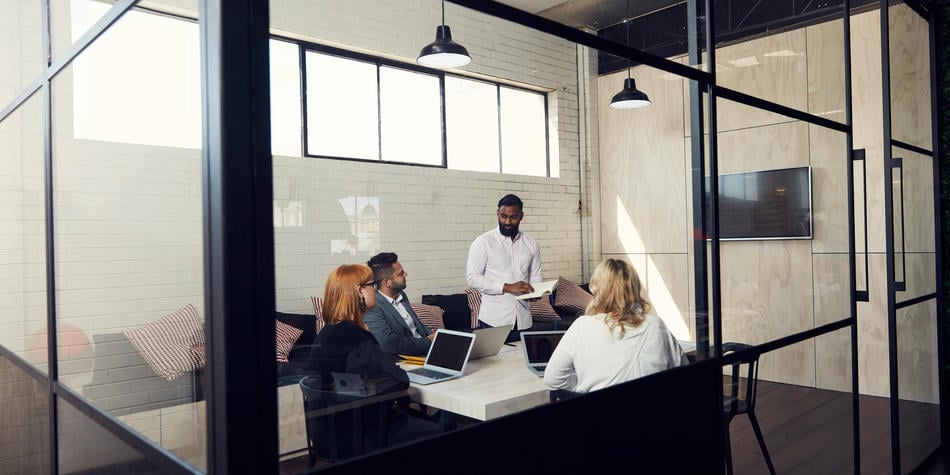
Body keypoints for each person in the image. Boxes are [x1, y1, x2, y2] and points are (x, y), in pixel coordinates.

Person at [306, 264, 441, 459]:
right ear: (360, 291)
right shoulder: (357, 337)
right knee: (435, 430)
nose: (375, 291)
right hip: (359, 435)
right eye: (371, 285)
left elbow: (357, 382)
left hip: (326, 433)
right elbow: (399, 382)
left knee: (420, 419)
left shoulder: (329, 332)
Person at [543, 258, 687, 393]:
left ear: (596, 289)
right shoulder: (655, 324)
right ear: (634, 289)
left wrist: (585, 384)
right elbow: (683, 370)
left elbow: (553, 379)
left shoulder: (582, 326)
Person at [466, 193, 542, 338]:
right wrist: (507, 287)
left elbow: (536, 275)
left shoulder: (531, 243)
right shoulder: (483, 242)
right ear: (497, 214)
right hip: (494, 321)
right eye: (503, 216)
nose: (507, 221)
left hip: (524, 320)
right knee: (495, 361)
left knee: (522, 360)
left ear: (521, 216)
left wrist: (535, 292)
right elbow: (472, 278)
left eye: (513, 217)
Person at [364, 252, 435, 357]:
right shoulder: (373, 306)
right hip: (405, 360)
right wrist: (428, 341)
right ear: (387, 282)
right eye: (400, 274)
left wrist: (433, 334)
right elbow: (389, 343)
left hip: (426, 353)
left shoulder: (401, 295)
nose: (406, 274)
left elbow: (416, 325)